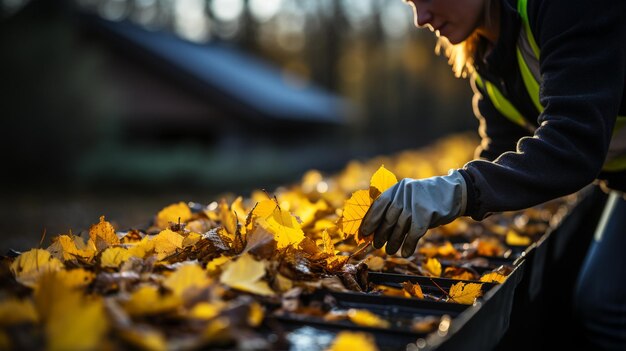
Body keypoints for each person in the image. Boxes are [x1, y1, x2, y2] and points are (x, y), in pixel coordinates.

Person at [359, 0, 626, 349]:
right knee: (602, 301)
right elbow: (501, 155)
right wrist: (442, 205)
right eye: (411, 3)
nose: (420, 18)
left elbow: (573, 144)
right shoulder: (488, 56)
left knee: (602, 303)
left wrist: (456, 190)